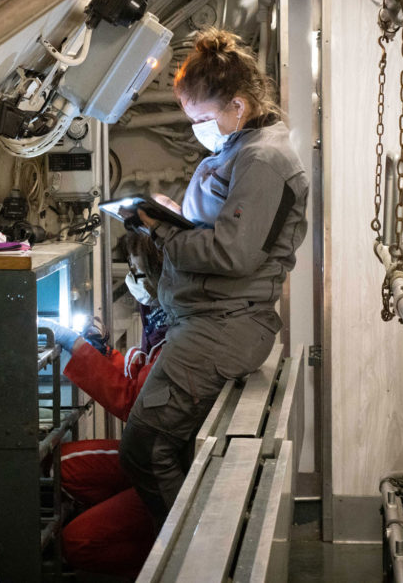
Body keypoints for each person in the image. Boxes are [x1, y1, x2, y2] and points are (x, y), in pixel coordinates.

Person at [119, 27, 309, 527]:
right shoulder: (237, 150)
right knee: (169, 447)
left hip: (222, 327)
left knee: (145, 446)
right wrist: (172, 215)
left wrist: (162, 232)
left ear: (239, 106)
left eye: (202, 118)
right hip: (205, 320)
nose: (198, 128)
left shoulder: (262, 158)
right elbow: (222, 226)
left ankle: (187, 556)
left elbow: (233, 252)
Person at [37, 233, 168, 580]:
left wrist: (73, 343)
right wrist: (101, 352)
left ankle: (163, 559)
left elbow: (133, 402)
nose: (132, 279)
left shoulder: (179, 334)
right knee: (63, 464)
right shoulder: (161, 325)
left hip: (165, 468)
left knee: (77, 542)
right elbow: (137, 373)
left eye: (138, 272)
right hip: (148, 455)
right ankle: (122, 518)